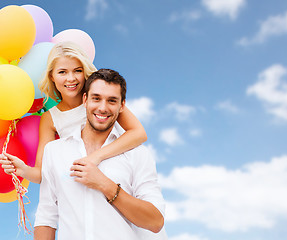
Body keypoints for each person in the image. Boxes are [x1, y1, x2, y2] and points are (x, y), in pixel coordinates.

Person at [34, 68, 167, 239]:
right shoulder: (55, 151)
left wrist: (106, 185)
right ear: (85, 100)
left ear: (122, 106)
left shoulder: (138, 155)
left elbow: (155, 222)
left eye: (112, 101)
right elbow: (46, 216)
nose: (102, 108)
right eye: (96, 98)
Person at [0, 42, 147, 184]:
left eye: (78, 70)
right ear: (52, 76)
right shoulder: (50, 118)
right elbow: (42, 174)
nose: (71, 78)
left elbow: (139, 134)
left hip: (122, 175)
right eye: (62, 72)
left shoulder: (100, 96)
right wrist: (23, 170)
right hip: (85, 184)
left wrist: (97, 157)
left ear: (85, 71)